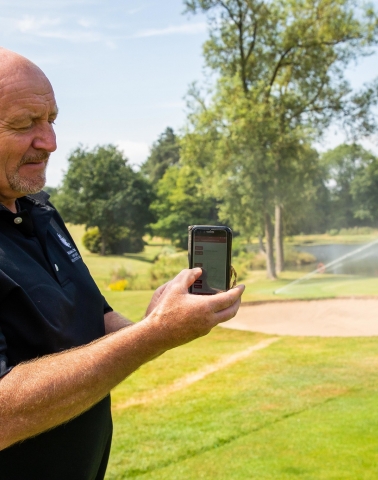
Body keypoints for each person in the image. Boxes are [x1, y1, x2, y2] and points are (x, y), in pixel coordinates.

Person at [0, 48, 244, 479]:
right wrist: (153, 335)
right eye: (24, 124)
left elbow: (96, 318)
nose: (51, 142)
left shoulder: (38, 210)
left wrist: (161, 317)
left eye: (51, 119)